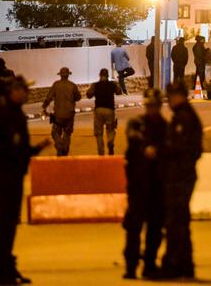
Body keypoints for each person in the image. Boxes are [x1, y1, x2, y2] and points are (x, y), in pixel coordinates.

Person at [0, 64, 50, 285]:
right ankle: (1, 271)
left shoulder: (16, 113)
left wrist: (37, 148)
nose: (26, 94)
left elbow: (21, 149)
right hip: (4, 175)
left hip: (13, 175)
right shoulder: (0, 109)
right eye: (23, 90)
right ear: (13, 91)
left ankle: (7, 266)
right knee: (5, 224)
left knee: (10, 223)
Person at [122, 88, 167, 279]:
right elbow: (132, 138)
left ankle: (149, 263)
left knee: (155, 228)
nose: (152, 109)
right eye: (149, 106)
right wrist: (145, 147)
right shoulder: (137, 124)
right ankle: (131, 265)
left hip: (156, 186)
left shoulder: (164, 127)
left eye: (155, 106)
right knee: (133, 228)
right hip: (138, 186)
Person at [160, 81, 202, 279]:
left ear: (178, 96)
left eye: (170, 97)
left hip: (181, 176)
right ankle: (179, 263)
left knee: (177, 222)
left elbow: (183, 148)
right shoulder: (183, 115)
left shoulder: (184, 118)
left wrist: (162, 151)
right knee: (176, 221)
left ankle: (178, 264)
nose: (168, 102)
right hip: (179, 175)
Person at [42, 67, 81, 156]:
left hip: (58, 114)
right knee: (67, 133)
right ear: (68, 75)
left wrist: (44, 106)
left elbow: (49, 97)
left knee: (55, 132)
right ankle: (65, 149)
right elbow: (78, 97)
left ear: (60, 75)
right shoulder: (72, 85)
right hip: (70, 114)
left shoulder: (56, 85)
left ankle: (59, 144)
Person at [86, 68, 122, 155]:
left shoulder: (95, 85)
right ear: (108, 75)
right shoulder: (112, 84)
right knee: (110, 130)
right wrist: (117, 84)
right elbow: (119, 92)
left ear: (100, 75)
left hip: (99, 109)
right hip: (110, 110)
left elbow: (89, 95)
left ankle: (101, 152)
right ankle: (110, 142)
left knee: (99, 133)